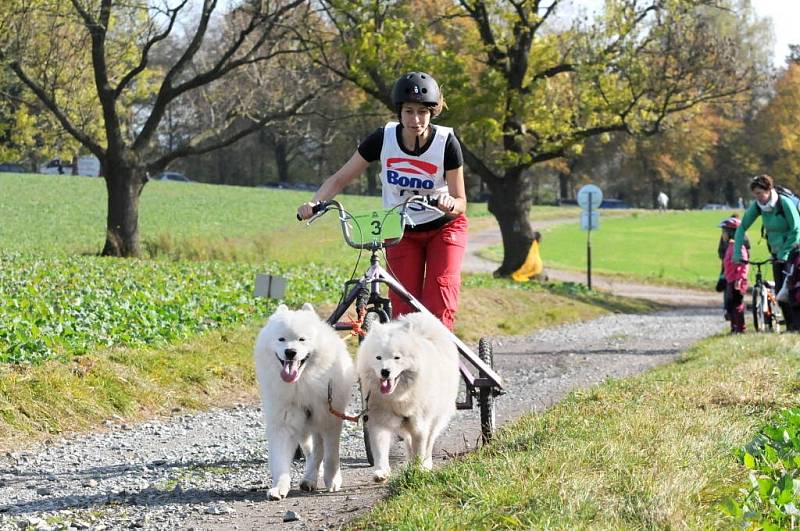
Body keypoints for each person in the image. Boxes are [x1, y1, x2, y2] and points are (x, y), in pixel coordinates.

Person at [297, 71, 467, 330]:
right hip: (399, 228)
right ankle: (402, 365)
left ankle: (439, 364)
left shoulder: (446, 143)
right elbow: (339, 179)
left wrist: (450, 203)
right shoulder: (383, 138)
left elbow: (461, 200)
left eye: (422, 112)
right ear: (399, 112)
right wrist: (314, 204)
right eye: (409, 111)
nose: (416, 119)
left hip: (443, 227)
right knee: (402, 309)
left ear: (432, 113)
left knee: (439, 302)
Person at [733, 174, 800, 330]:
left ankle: (796, 325)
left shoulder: (784, 203)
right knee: (779, 292)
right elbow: (741, 228)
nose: (758, 197)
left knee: (791, 289)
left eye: (760, 193)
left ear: (769, 190)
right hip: (777, 253)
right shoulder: (758, 206)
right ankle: (791, 327)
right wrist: (737, 252)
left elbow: (796, 230)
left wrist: (785, 253)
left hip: (795, 251)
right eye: (755, 194)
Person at [719, 216, 748, 332]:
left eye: (724, 232)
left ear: (732, 233)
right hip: (730, 280)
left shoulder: (739, 247)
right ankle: (734, 327)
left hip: (737, 281)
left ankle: (740, 328)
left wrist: (739, 279)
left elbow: (743, 266)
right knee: (730, 305)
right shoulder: (731, 247)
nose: (723, 235)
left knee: (737, 304)